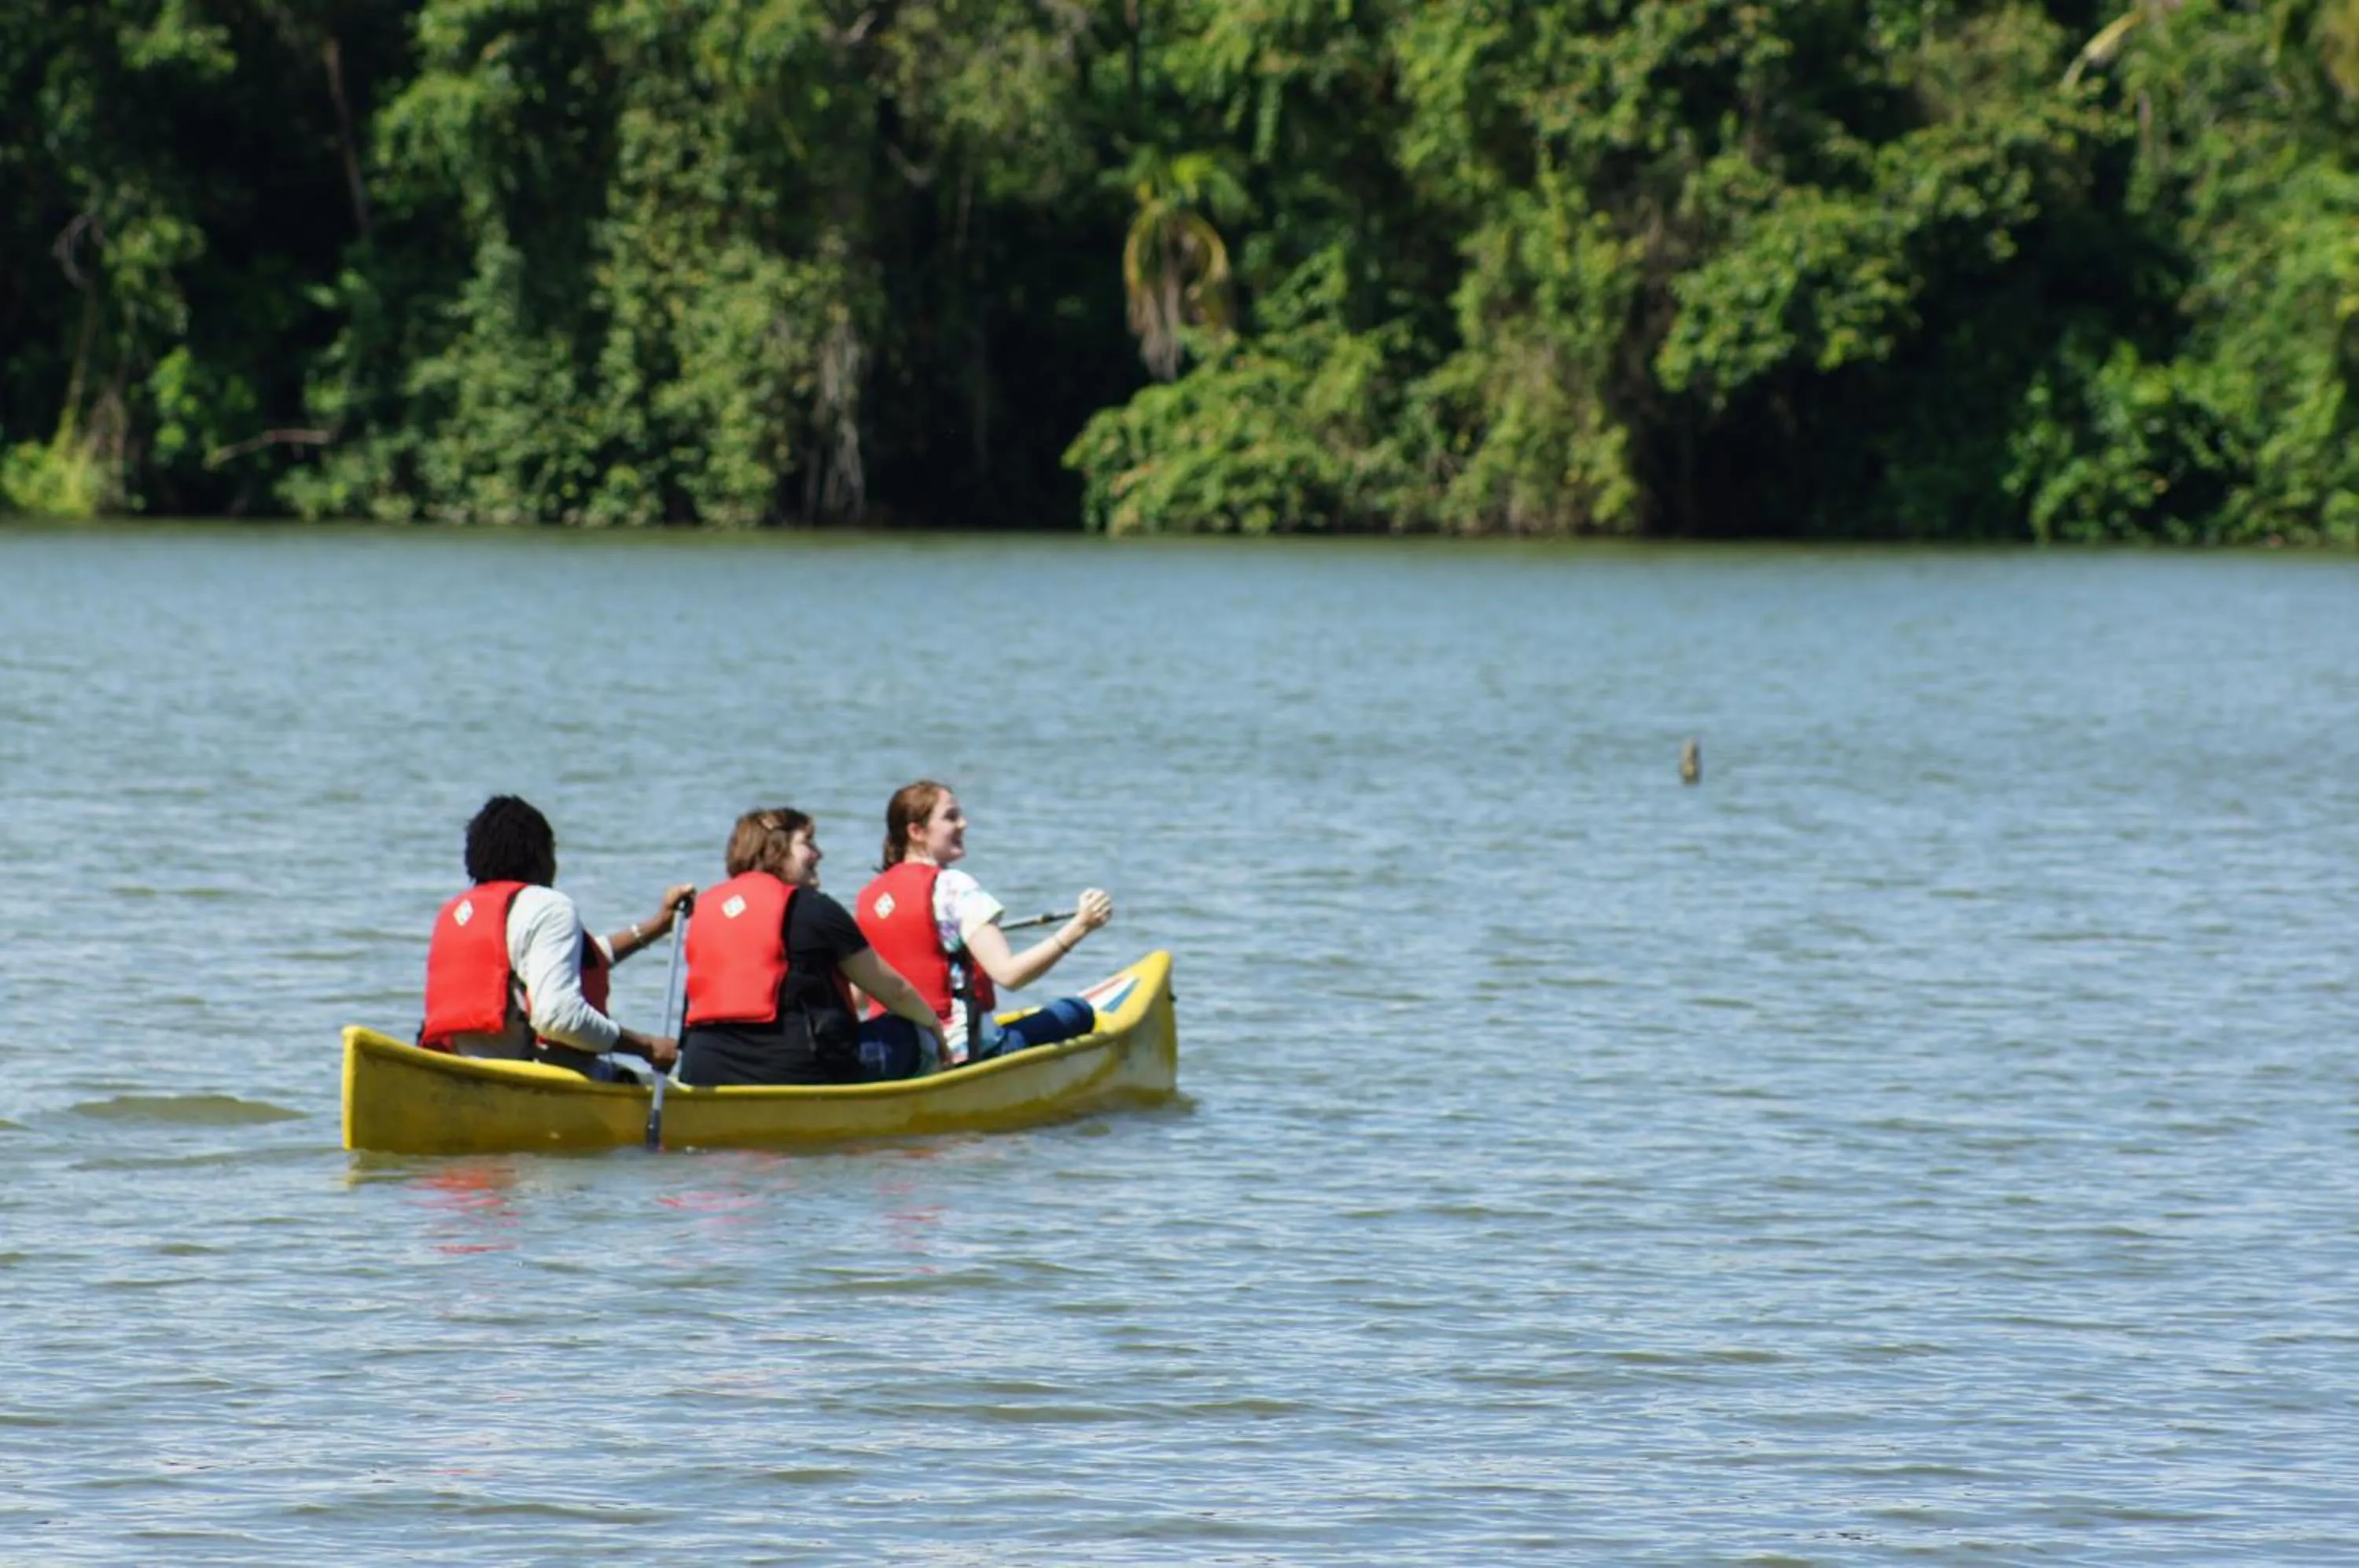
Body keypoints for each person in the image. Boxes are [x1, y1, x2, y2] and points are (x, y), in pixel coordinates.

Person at [418, 795, 687, 1080]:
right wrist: (646, 1046)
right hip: (528, 1080)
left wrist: (657, 927)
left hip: (460, 1073)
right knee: (633, 1080)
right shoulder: (547, 906)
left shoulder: (459, 912)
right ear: (540, 855)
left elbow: (585, 960)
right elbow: (558, 1017)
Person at [676, 808, 947, 1086]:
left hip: (702, 1070)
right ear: (777, 850)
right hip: (797, 1073)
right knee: (915, 1031)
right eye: (807, 843)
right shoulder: (814, 908)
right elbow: (896, 991)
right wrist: (934, 1026)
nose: (819, 854)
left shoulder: (704, 911)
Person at [855, 779, 1113, 1068]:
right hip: (964, 1052)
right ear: (916, 831)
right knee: (1078, 1011)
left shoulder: (869, 898)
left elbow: (859, 999)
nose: (964, 824)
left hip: (903, 1055)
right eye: (951, 817)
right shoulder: (955, 886)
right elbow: (1009, 975)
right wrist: (1081, 926)